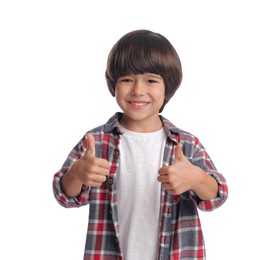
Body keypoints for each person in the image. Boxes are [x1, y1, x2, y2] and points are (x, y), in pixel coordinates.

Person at [52, 29, 228, 260]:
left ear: (168, 86)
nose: (138, 90)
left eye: (151, 80)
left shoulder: (185, 144)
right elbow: (65, 196)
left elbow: (216, 196)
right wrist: (76, 173)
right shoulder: (97, 141)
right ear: (113, 84)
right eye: (127, 79)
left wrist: (196, 179)